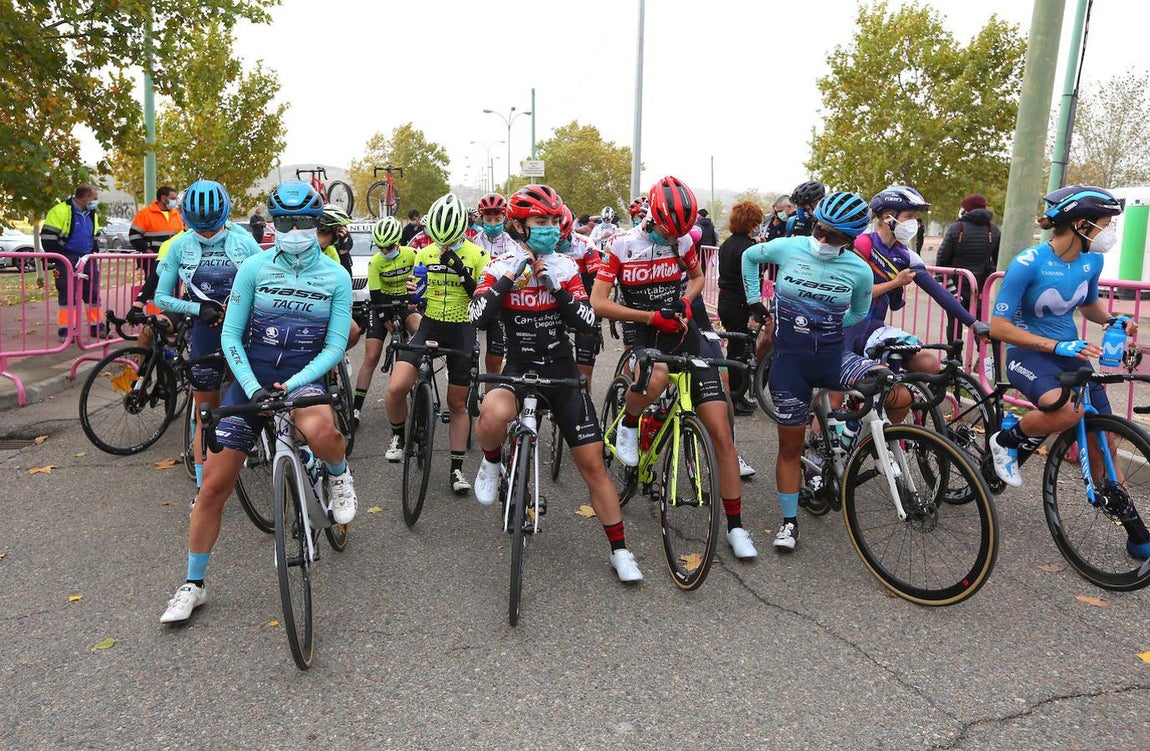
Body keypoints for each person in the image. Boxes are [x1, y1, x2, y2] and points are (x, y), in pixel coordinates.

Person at [159, 179, 356, 624]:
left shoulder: (336, 276)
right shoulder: (254, 268)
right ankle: (193, 584)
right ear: (274, 223)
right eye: (285, 221)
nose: (293, 229)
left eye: (303, 221)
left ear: (316, 222)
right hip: (251, 382)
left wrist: (293, 384)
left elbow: (335, 345)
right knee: (211, 488)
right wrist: (251, 388)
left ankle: (339, 475)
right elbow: (230, 334)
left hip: (302, 379)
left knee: (322, 431)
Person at [469, 185, 644, 582]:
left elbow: (585, 322)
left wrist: (557, 289)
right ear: (520, 226)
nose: (548, 229)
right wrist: (510, 279)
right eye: (540, 223)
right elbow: (478, 317)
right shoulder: (499, 264)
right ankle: (492, 463)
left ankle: (620, 550)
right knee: (493, 413)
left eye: (552, 222)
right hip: (519, 366)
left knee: (592, 464)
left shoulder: (565, 266)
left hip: (560, 369)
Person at [592, 175, 759, 561]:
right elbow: (599, 302)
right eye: (669, 230)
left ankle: (735, 526)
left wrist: (685, 302)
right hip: (644, 331)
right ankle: (629, 426)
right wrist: (650, 316)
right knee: (658, 376)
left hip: (683, 331)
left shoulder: (684, 241)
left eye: (681, 232)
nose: (675, 238)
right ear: (652, 216)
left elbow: (698, 277)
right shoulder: (622, 245)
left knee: (721, 430)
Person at [987, 184, 1147, 561]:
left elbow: (1089, 305)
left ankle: (1134, 527)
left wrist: (1115, 319)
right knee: (1065, 410)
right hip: (1029, 353)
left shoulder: (1093, 262)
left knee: (1103, 438)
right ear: (1080, 224)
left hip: (1071, 354)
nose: (1110, 233)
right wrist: (1056, 346)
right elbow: (998, 326)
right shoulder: (1029, 263)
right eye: (1105, 225)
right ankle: (1007, 440)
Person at [741, 191, 894, 553]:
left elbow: (857, 314)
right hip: (789, 365)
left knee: (893, 385)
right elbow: (749, 257)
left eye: (834, 236)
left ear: (851, 239)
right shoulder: (790, 246)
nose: (822, 239)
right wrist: (754, 302)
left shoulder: (858, 269)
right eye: (820, 229)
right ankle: (789, 522)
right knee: (790, 446)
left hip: (831, 356)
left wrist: (823, 324)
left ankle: (850, 443)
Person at [152, 180, 261, 493]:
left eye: (213, 228)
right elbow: (162, 298)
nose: (209, 235)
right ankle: (202, 491)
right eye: (201, 229)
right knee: (206, 414)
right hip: (206, 331)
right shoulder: (179, 246)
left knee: (258, 396)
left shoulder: (244, 242)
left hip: (244, 328)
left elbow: (264, 282)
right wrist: (198, 309)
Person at [384, 193, 487, 492]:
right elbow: (418, 292)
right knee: (395, 387)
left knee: (457, 405)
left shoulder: (479, 255)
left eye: (450, 239)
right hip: (430, 324)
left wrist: (457, 265)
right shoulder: (424, 253)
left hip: (462, 328)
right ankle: (399, 436)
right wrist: (413, 292)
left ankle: (456, 470)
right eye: (438, 239)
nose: (443, 245)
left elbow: (479, 296)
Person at [846, 186, 988, 374]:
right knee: (837, 398)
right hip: (844, 329)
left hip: (875, 330)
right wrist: (895, 283)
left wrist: (973, 323)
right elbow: (853, 293)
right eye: (909, 216)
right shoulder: (862, 244)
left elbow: (938, 292)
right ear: (888, 217)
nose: (914, 223)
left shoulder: (906, 256)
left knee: (929, 364)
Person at [353, 216, 420, 428]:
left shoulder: (412, 254)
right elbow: (375, 294)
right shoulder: (376, 262)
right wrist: (386, 322)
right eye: (381, 247)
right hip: (383, 305)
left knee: (419, 330)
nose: (385, 251)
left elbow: (418, 281)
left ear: (398, 241)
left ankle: (421, 383)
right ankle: (356, 407)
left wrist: (413, 302)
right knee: (371, 356)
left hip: (406, 304)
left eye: (389, 246)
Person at [717, 200, 766, 414]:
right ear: (752, 223)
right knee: (739, 351)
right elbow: (749, 280)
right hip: (739, 302)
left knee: (737, 349)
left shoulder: (728, 244)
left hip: (727, 300)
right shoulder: (749, 249)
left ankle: (737, 394)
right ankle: (735, 397)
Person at [41, 184, 104, 339]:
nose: (96, 201)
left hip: (87, 258)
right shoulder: (60, 211)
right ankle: (67, 331)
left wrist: (93, 251)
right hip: (66, 258)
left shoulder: (91, 213)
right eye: (94, 198)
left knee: (93, 294)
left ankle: (97, 327)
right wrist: (61, 256)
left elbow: (94, 235)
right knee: (69, 295)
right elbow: (48, 239)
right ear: (84, 197)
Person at [937, 193, 1002, 344]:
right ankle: (982, 358)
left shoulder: (957, 228)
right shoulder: (993, 230)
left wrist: (945, 284)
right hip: (980, 286)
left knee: (955, 320)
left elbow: (942, 259)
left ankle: (954, 357)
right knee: (980, 322)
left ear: (966, 209)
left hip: (956, 285)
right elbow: (997, 260)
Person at [471, 192, 518, 380]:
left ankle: (491, 392)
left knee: (494, 359)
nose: (492, 223)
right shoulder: (473, 242)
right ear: (481, 218)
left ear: (504, 218)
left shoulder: (512, 245)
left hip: (499, 303)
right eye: (488, 219)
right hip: (476, 298)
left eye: (497, 219)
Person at [558, 204, 604, 387]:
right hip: (556, 306)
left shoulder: (585, 244)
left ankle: (585, 402)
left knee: (584, 375)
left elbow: (598, 279)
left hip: (582, 303)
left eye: (563, 239)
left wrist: (595, 314)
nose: (558, 243)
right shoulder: (542, 247)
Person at [129, 186, 183, 274]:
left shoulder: (176, 214)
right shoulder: (145, 214)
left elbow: (181, 235)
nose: (174, 202)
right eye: (172, 198)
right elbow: (134, 236)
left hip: (173, 260)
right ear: (163, 198)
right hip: (153, 260)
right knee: (154, 286)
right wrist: (147, 251)